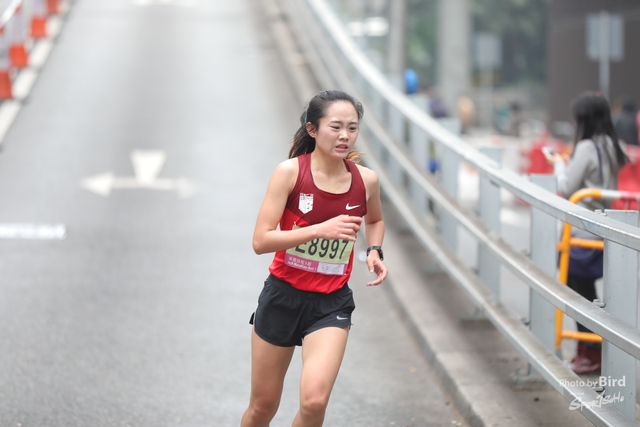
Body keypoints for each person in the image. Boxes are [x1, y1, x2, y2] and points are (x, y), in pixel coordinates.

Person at [241, 90, 388, 427]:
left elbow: (375, 220)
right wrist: (320, 230)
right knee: (262, 407)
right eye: (335, 127)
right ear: (312, 129)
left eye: (352, 128)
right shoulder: (290, 173)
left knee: (314, 401)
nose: (344, 136)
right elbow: (261, 241)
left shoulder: (366, 180)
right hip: (282, 296)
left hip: (331, 303)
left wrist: (375, 250)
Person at [546, 92, 627, 374]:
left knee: (578, 293)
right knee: (592, 294)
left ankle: (590, 352)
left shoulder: (586, 147)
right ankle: (593, 351)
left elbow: (568, 188)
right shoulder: (612, 145)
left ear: (584, 119)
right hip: (606, 228)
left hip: (582, 233)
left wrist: (558, 165)